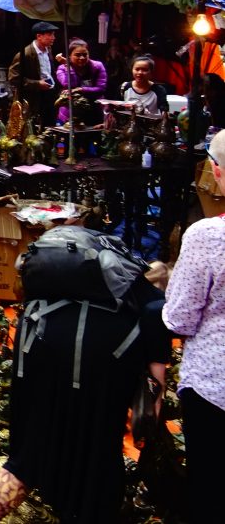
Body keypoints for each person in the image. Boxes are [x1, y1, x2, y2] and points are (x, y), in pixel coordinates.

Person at [0, 245, 169, 524]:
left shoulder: (77, 280)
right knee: (96, 463)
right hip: (99, 368)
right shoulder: (156, 306)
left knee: (24, 457)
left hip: (40, 336)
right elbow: (154, 392)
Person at [161, 130, 225, 524]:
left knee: (211, 491)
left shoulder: (208, 236)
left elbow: (179, 318)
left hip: (215, 387)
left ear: (216, 173)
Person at [9, 21, 60, 126]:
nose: (53, 37)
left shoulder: (48, 49)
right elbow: (14, 78)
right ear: (39, 36)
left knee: (50, 124)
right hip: (34, 98)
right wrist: (37, 84)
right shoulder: (25, 54)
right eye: (50, 34)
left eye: (53, 34)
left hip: (49, 94)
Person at [54, 38, 108, 124]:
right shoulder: (62, 68)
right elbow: (69, 84)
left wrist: (81, 89)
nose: (82, 57)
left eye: (85, 54)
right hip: (69, 114)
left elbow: (101, 89)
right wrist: (68, 67)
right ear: (69, 56)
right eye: (77, 55)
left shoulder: (97, 66)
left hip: (93, 112)